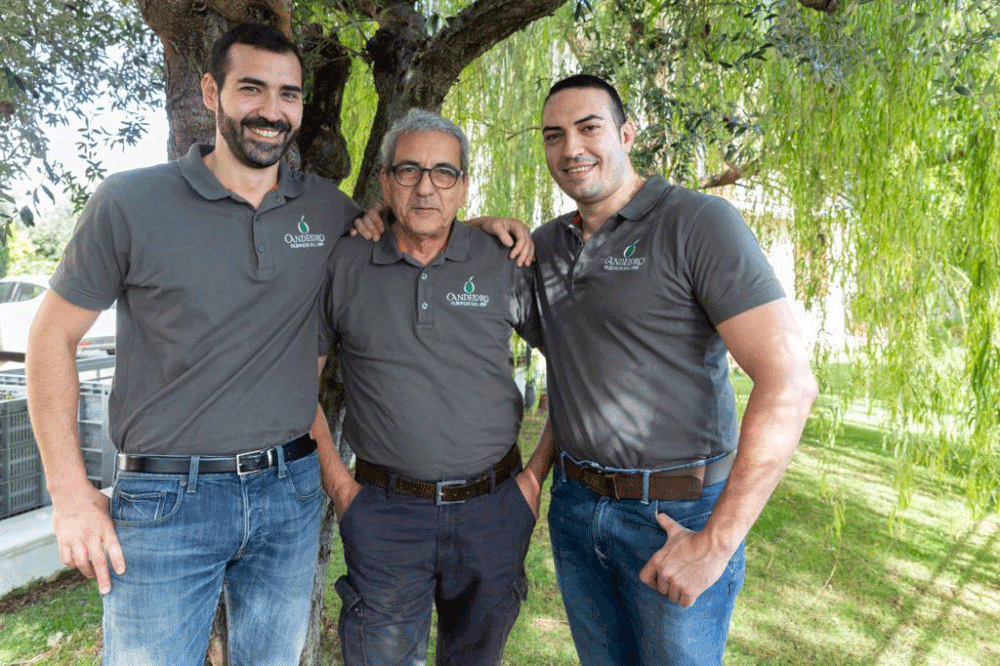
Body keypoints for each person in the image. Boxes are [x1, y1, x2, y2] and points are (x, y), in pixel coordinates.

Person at [529, 74, 819, 665]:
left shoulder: (698, 222)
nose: (571, 149)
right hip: (577, 507)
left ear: (627, 133)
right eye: (554, 136)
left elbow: (788, 381)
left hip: (676, 518)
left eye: (589, 129)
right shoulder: (548, 246)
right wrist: (478, 229)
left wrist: (716, 543)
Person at [314, 108, 549, 666]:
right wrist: (341, 490)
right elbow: (301, 380)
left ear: (464, 186)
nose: (426, 188)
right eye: (409, 171)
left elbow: (574, 364)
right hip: (386, 515)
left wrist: (534, 480)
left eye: (444, 173)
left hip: (495, 510)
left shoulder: (502, 260)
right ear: (385, 181)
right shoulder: (345, 262)